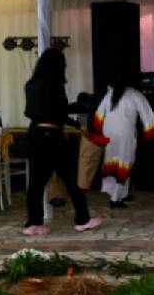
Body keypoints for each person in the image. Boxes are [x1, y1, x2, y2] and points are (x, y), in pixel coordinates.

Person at [22, 48, 101, 236]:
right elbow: (60, 111)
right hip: (53, 136)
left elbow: (32, 111)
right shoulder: (54, 84)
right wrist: (78, 117)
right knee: (72, 180)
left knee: (35, 183)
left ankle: (33, 223)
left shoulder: (30, 85)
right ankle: (83, 219)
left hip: (34, 135)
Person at [90, 77, 154, 208]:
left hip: (109, 132)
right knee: (124, 163)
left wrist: (98, 131)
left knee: (112, 162)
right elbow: (147, 114)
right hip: (125, 133)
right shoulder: (135, 94)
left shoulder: (111, 93)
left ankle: (124, 193)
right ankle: (115, 199)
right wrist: (151, 132)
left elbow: (99, 113)